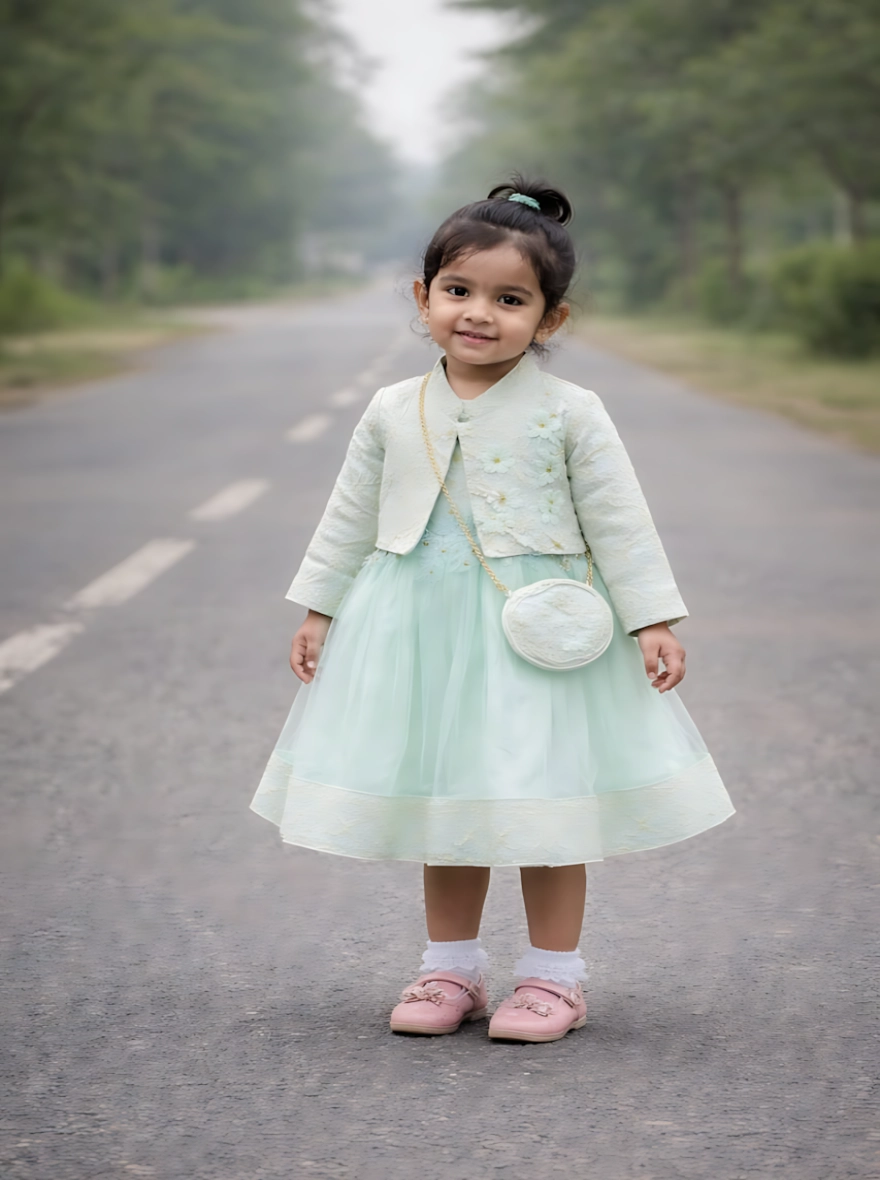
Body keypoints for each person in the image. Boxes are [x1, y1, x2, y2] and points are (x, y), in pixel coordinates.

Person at [249, 175, 735, 1043]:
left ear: (550, 320)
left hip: (540, 636)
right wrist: (320, 607)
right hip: (418, 625)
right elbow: (351, 514)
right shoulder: (394, 408)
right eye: (458, 291)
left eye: (510, 300)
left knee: (548, 799)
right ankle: (451, 969)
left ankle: (554, 980)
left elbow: (620, 519)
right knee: (451, 795)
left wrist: (651, 618)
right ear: (422, 296)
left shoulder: (569, 413)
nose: (479, 314)